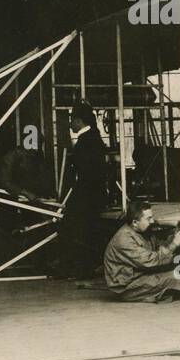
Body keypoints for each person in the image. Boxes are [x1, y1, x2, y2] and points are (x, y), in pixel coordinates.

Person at [53, 102, 109, 278]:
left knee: (78, 229)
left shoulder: (87, 142)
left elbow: (87, 173)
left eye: (72, 120)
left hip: (88, 194)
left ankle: (80, 268)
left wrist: (76, 194)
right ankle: (79, 267)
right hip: (91, 192)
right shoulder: (92, 138)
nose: (70, 124)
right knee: (82, 229)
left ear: (78, 121)